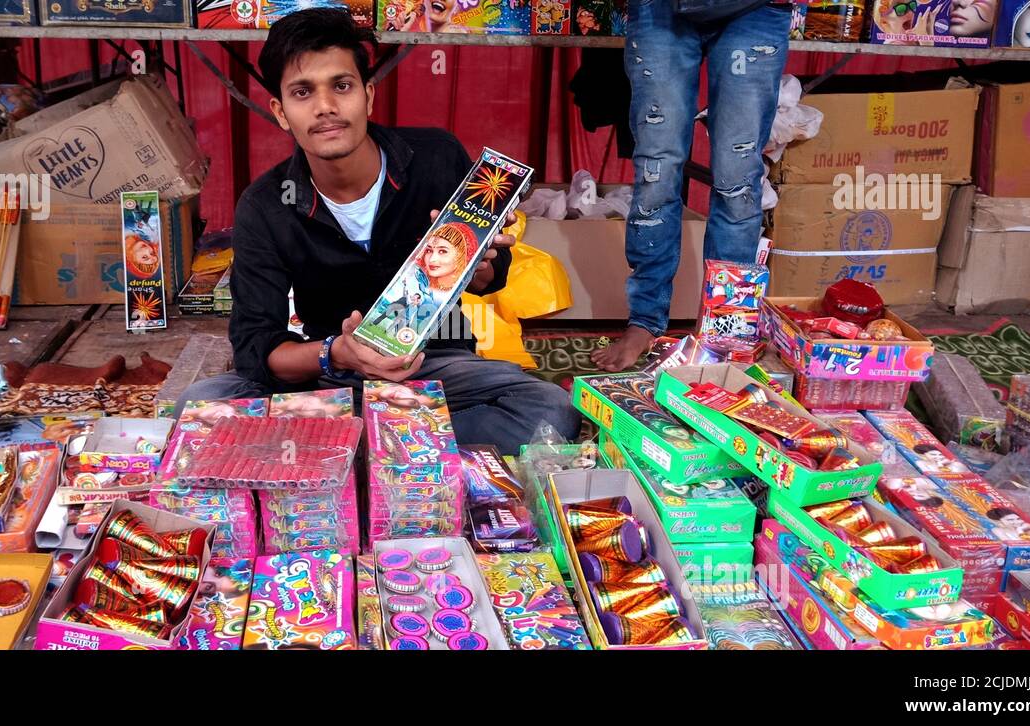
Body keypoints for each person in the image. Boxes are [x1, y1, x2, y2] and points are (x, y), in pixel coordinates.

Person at [176, 9, 579, 455]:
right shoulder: (265, 205)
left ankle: (338, 449)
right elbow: (257, 347)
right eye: (303, 92)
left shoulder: (435, 157)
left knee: (548, 409)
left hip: (435, 364)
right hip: (327, 371)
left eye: (341, 86)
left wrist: (480, 266)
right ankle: (400, 447)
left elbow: (493, 276)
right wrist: (336, 352)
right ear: (281, 112)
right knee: (198, 407)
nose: (326, 106)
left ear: (368, 96)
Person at [592, 0, 792, 371]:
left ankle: (725, 327)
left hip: (755, 10)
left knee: (738, 177)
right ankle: (645, 320)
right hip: (661, 7)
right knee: (657, 168)